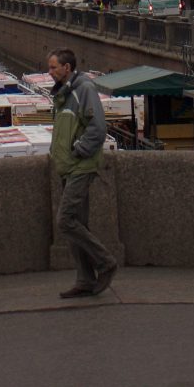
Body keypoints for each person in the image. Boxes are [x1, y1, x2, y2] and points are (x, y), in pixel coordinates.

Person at [48, 48, 117, 299]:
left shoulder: (84, 89)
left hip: (81, 166)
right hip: (68, 167)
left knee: (65, 221)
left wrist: (78, 151)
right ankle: (85, 279)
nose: (50, 71)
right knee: (78, 223)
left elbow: (98, 129)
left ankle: (106, 262)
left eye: (54, 67)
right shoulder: (63, 94)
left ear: (67, 68)